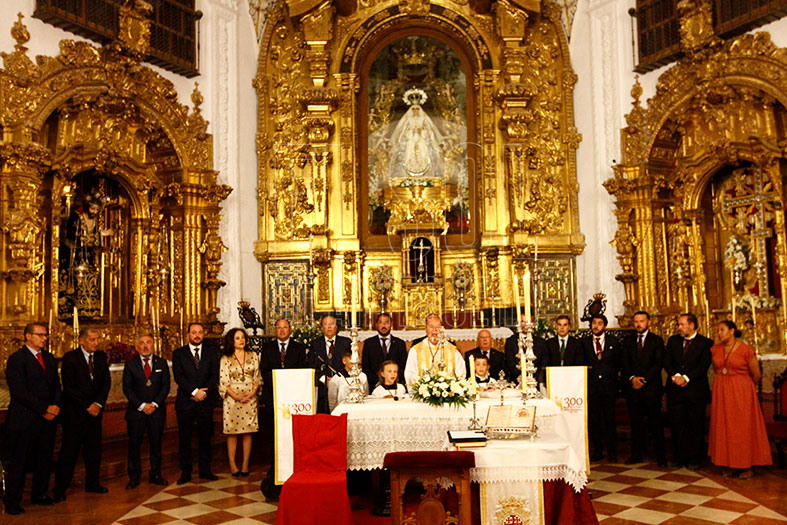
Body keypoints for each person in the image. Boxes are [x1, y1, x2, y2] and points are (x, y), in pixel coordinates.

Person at [3, 323, 61, 515]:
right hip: (25, 419)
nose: (44, 338)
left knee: (44, 458)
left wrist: (55, 406)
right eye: (40, 335)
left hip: (47, 419)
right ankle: (12, 501)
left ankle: (40, 494)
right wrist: (44, 408)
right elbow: (19, 391)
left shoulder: (49, 358)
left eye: (45, 335)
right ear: (28, 336)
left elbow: (56, 386)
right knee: (19, 461)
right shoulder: (17, 359)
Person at [54, 327, 111, 501]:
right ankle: (60, 489)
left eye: (98, 339)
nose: (96, 343)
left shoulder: (101, 357)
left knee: (94, 450)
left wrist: (98, 404)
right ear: (81, 340)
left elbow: (106, 383)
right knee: (69, 452)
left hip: (95, 413)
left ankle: (92, 483)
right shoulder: (70, 358)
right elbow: (69, 387)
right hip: (75, 413)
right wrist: (87, 405)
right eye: (92, 339)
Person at [708, 320, 772, 478]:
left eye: (722, 330)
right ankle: (729, 463)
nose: (719, 333)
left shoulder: (746, 350)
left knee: (741, 427)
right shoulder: (715, 349)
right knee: (724, 426)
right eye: (718, 330)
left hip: (741, 391)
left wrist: (744, 387)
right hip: (722, 390)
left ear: (732, 331)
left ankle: (746, 465)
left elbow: (756, 374)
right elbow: (716, 369)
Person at [260, 318, 309, 500]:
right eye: (278, 328)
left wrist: (289, 383)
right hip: (274, 396)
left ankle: (294, 466)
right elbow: (264, 370)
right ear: (275, 330)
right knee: (275, 434)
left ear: (290, 329)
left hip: (294, 398)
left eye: (284, 327)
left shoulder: (298, 348)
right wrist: (279, 381)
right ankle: (275, 468)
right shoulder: (267, 348)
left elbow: (302, 370)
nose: (281, 330)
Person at [172, 322, 219, 485]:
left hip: (206, 401)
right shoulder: (179, 353)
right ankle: (185, 472)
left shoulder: (211, 353)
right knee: (184, 438)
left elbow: (215, 376)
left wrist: (204, 393)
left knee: (205, 437)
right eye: (194, 332)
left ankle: (205, 470)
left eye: (200, 332)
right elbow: (178, 376)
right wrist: (194, 392)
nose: (197, 335)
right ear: (188, 335)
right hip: (186, 402)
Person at [664, 312, 713, 470]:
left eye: (682, 325)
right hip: (675, 390)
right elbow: (667, 361)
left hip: (695, 391)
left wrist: (686, 378)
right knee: (676, 424)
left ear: (692, 325)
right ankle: (678, 457)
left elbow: (703, 365)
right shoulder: (673, 341)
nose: (679, 327)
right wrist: (676, 376)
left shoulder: (705, 343)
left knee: (695, 424)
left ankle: (694, 458)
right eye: (678, 324)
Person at [123, 333, 170, 489]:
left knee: (156, 444)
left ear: (153, 344)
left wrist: (154, 404)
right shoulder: (130, 364)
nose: (145, 346)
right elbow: (127, 389)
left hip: (156, 411)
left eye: (148, 342)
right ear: (137, 346)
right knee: (134, 445)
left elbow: (165, 387)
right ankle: (134, 477)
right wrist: (142, 405)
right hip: (136, 412)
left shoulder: (161, 363)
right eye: (142, 343)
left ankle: (155, 474)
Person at [621, 311, 666, 466]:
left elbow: (658, 364)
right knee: (635, 423)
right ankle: (636, 454)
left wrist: (644, 380)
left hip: (651, 389)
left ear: (649, 323)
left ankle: (660, 457)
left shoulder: (657, 340)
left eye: (641, 321)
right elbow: (624, 362)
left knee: (656, 423)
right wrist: (633, 378)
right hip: (633, 389)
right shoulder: (628, 340)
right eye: (636, 321)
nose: (638, 324)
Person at [219, 328, 261, 477]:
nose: (241, 340)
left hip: (250, 399)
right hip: (232, 400)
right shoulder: (225, 359)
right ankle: (233, 464)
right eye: (237, 338)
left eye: (243, 337)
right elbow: (223, 381)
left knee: (248, 431)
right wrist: (236, 396)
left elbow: (257, 377)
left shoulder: (253, 355)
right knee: (232, 432)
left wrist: (252, 392)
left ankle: (245, 465)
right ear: (231, 341)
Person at [582, 314, 622, 462]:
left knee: (610, 420)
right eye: (594, 323)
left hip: (609, 387)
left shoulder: (613, 341)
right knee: (594, 421)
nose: (596, 326)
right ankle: (597, 450)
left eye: (599, 323)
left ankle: (612, 452)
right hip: (592, 388)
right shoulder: (584, 342)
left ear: (604, 326)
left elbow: (618, 363)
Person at [405, 314, 466, 386]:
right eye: (431, 327)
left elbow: (461, 373)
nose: (435, 330)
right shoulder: (416, 350)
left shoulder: (452, 349)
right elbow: (410, 375)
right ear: (426, 329)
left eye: (438, 327)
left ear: (442, 329)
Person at [309, 315, 351, 413]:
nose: (329, 327)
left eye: (332, 324)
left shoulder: (346, 342)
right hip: (322, 386)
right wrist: (324, 379)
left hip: (342, 386)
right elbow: (311, 365)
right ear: (322, 327)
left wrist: (335, 380)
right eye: (326, 324)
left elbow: (349, 364)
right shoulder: (315, 344)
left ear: (336, 326)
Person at [362, 313, 407, 392]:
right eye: (381, 323)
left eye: (386, 323)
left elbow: (403, 366)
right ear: (376, 325)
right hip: (374, 386)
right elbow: (366, 367)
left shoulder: (400, 343)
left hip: (396, 386)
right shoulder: (369, 343)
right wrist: (378, 382)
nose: (384, 326)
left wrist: (393, 381)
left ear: (391, 324)